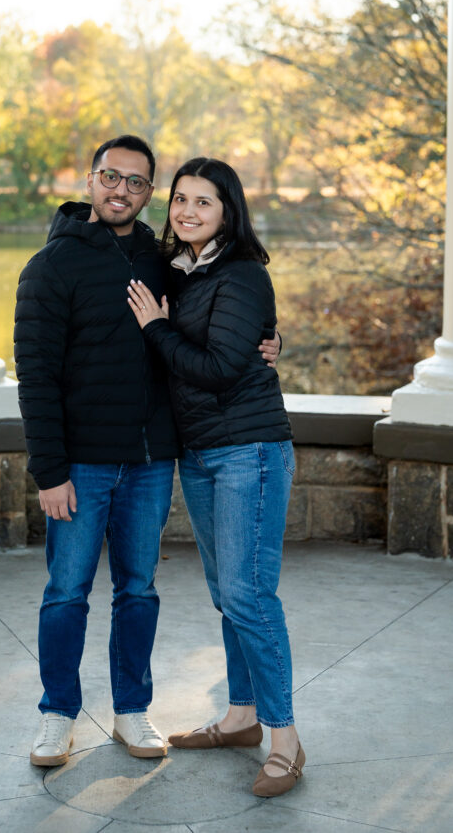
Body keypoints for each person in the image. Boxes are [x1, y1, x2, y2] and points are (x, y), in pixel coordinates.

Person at [14, 136, 281, 770]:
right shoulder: (50, 268)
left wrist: (270, 337)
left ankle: (131, 711)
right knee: (66, 592)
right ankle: (57, 715)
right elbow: (36, 377)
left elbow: (222, 315)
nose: (121, 191)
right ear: (90, 179)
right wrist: (49, 471)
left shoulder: (165, 261)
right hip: (79, 464)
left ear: (148, 193)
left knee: (138, 591)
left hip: (152, 461)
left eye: (137, 183)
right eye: (111, 177)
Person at [127, 157, 304, 799]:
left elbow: (223, 367)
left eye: (204, 202)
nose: (188, 212)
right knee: (227, 594)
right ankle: (241, 717)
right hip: (200, 453)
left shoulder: (241, 273)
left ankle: (285, 739)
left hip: (247, 452)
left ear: (228, 209)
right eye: (180, 200)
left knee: (250, 595)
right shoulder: (184, 271)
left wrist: (156, 327)